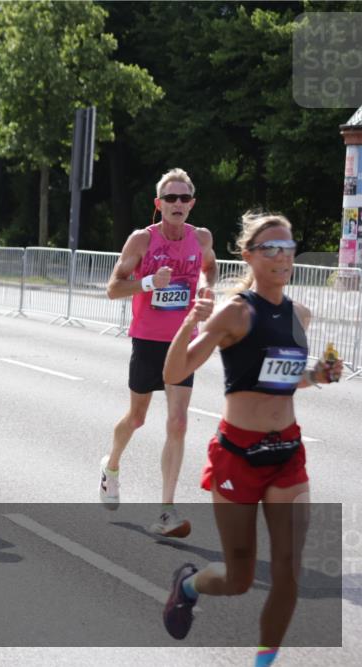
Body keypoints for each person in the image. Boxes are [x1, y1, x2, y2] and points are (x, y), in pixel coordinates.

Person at [160, 212, 342, 666]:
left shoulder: (300, 314)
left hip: (286, 455)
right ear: (249, 256)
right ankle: (188, 585)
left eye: (288, 248)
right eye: (271, 249)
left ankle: (263, 662)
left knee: (289, 573)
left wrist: (317, 375)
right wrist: (190, 321)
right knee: (239, 578)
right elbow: (175, 372)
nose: (283, 257)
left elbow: (280, 379)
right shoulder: (235, 312)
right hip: (237, 455)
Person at [100, 168, 217, 537]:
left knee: (178, 422)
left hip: (183, 340)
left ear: (192, 203)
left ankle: (166, 511)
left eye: (184, 198)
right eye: (170, 198)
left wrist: (206, 288)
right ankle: (111, 466)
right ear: (159, 203)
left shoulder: (201, 237)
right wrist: (149, 282)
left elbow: (210, 269)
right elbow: (113, 289)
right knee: (137, 418)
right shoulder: (141, 240)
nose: (177, 203)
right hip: (148, 341)